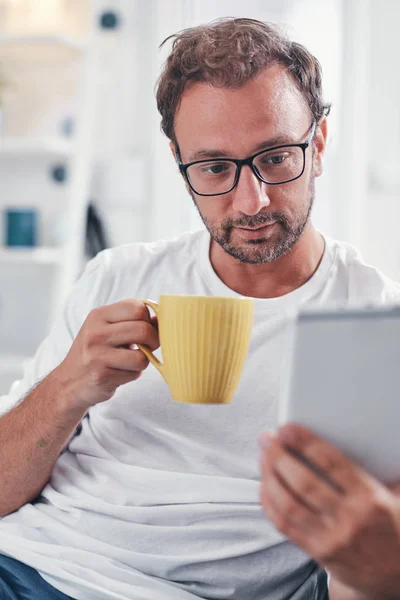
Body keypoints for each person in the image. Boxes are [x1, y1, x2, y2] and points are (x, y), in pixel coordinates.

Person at [0, 16, 399, 600]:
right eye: (215, 167)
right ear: (179, 162)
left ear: (317, 144)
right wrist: (67, 387)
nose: (252, 199)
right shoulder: (117, 276)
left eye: (276, 157)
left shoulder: (373, 319)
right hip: (25, 566)